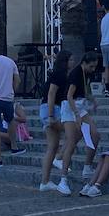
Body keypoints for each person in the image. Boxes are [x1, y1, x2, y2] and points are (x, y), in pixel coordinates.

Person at [57, 50, 100, 195]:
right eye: (92, 66)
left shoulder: (86, 73)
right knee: (71, 142)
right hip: (69, 107)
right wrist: (76, 115)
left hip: (79, 105)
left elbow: (85, 90)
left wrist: (92, 100)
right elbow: (69, 96)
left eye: (95, 67)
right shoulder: (76, 74)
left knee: (94, 134)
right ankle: (63, 180)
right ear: (84, 63)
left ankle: (87, 166)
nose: (93, 69)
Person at [38, 49, 71, 191]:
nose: (73, 62)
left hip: (47, 108)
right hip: (52, 109)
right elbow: (51, 93)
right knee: (73, 133)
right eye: (71, 60)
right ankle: (59, 157)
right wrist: (51, 115)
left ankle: (45, 182)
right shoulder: (59, 74)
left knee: (51, 146)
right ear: (65, 61)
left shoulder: (58, 74)